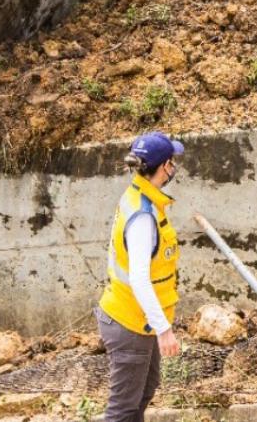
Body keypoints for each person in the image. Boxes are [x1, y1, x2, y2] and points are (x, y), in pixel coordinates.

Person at [96, 131, 184, 422]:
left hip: (138, 320)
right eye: (172, 161)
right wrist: (164, 329)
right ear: (164, 168)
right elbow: (139, 279)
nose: (174, 167)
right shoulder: (143, 216)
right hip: (130, 322)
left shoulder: (139, 196)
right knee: (122, 411)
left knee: (143, 393)